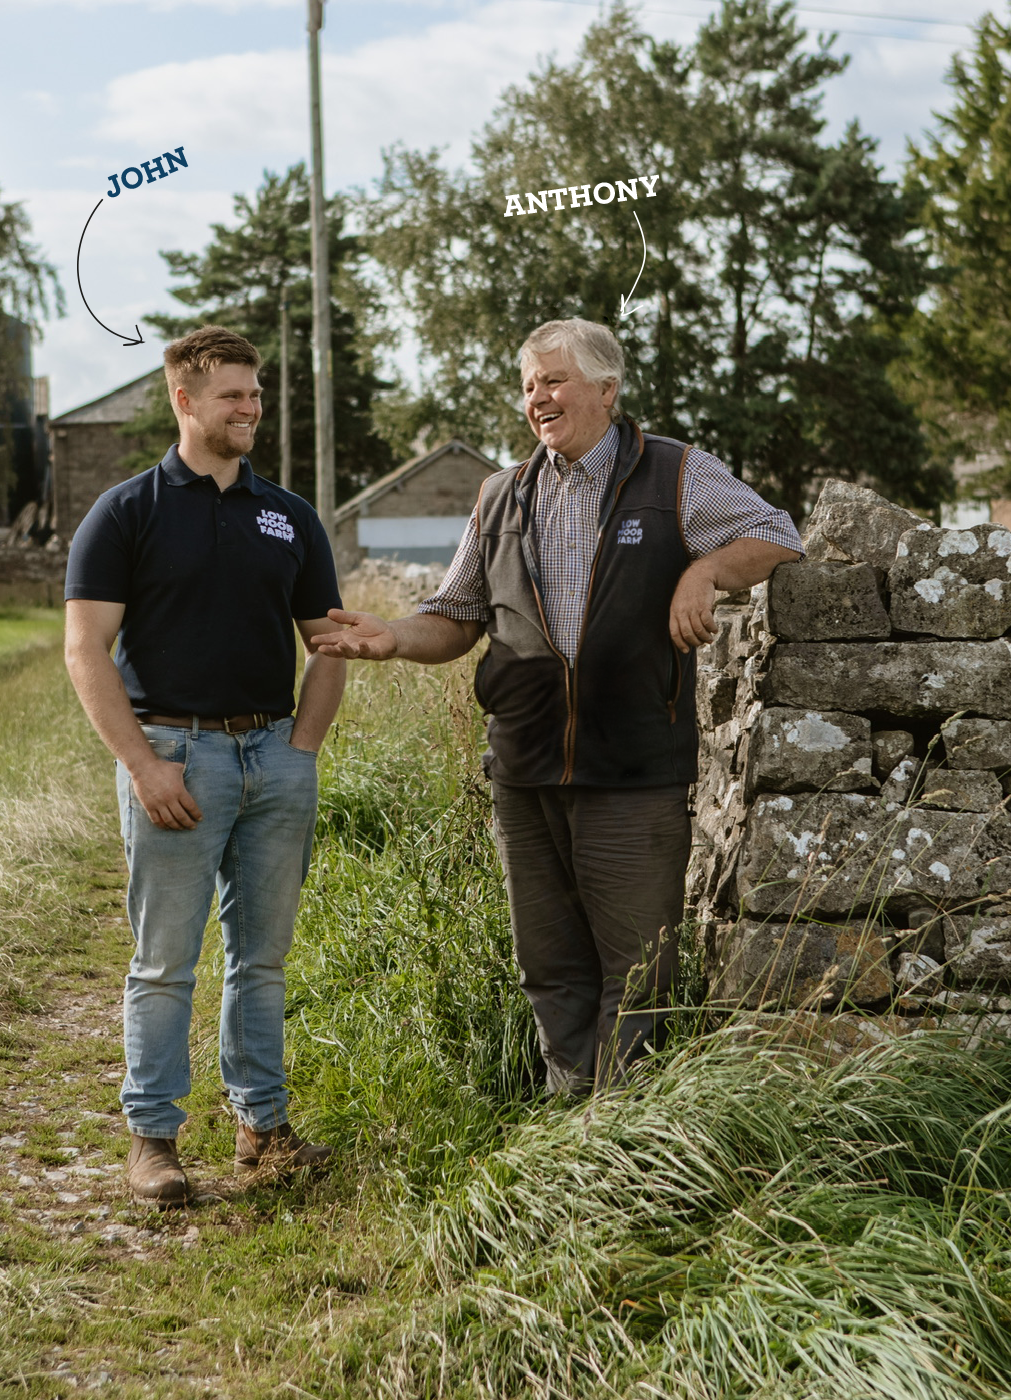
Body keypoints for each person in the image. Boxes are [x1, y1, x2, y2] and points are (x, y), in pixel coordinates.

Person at [310, 318, 802, 1094]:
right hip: (524, 769)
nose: (538, 398)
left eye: (554, 380)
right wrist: (393, 638)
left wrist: (702, 573)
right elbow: (458, 613)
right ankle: (567, 1129)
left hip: (633, 772)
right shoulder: (501, 494)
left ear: (607, 390)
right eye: (529, 386)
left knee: (637, 977)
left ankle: (626, 1142)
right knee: (550, 969)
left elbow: (777, 536)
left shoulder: (674, 473)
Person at [63, 325, 344, 1204]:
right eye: (232, 394)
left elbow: (329, 640)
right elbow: (84, 649)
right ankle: (154, 1138)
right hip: (175, 756)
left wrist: (302, 750)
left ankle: (262, 1127)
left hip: (273, 757)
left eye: (255, 393)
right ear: (185, 401)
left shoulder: (289, 515)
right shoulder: (127, 511)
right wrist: (145, 766)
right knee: (164, 960)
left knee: (261, 959)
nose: (250, 406)